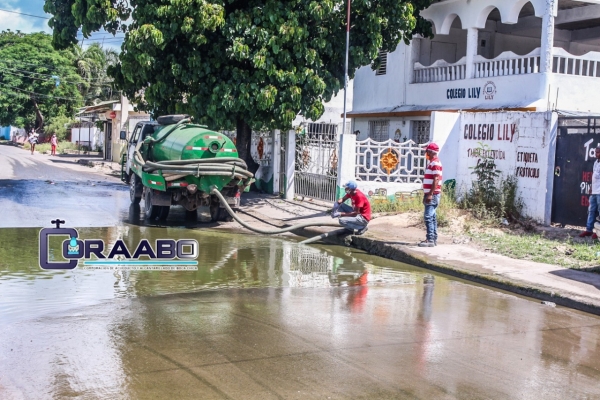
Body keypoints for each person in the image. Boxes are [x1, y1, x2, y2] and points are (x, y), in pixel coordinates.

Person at [419, 143, 443, 247]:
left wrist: (430, 194)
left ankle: (430, 240)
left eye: (427, 151)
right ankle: (433, 238)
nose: (426, 153)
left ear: (431, 152)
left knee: (428, 216)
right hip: (431, 193)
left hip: (432, 194)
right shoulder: (432, 163)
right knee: (432, 216)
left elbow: (436, 179)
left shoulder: (435, 163)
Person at [580, 144, 600, 239]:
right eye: (596, 152)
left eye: (598, 152)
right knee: (591, 211)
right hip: (594, 191)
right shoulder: (596, 163)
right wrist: (592, 188)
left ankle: (598, 232)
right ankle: (589, 230)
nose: (596, 154)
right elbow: (594, 178)